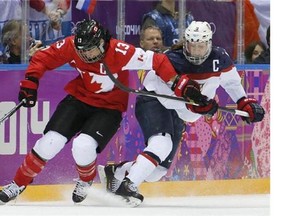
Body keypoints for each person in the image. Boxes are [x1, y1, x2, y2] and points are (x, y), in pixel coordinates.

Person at [0, 19, 209, 205]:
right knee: (49, 142)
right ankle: (17, 184)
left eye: (91, 49)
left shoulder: (120, 51)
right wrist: (30, 82)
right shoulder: (73, 45)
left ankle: (85, 179)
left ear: (102, 43)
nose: (87, 55)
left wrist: (180, 84)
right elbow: (43, 58)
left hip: (109, 108)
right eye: (83, 51)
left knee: (83, 146)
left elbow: (158, 61)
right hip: (79, 98)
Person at [98, 21, 266, 207]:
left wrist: (243, 102)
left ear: (209, 44)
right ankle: (127, 188)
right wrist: (192, 106)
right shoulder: (172, 59)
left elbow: (232, 83)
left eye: (200, 46)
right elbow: (157, 90)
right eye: (191, 45)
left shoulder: (220, 58)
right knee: (161, 144)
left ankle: (116, 172)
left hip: (179, 111)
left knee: (157, 172)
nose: (195, 51)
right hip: (154, 101)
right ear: (185, 42)